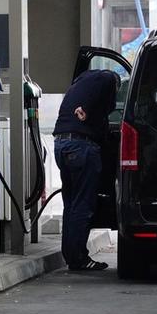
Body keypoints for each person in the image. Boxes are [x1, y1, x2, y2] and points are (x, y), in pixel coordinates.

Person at [53, 68, 120, 271]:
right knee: (83, 204)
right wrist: (88, 110)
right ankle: (79, 258)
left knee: (71, 203)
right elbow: (98, 102)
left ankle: (71, 255)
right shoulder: (108, 78)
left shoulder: (79, 83)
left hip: (61, 144)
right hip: (82, 147)